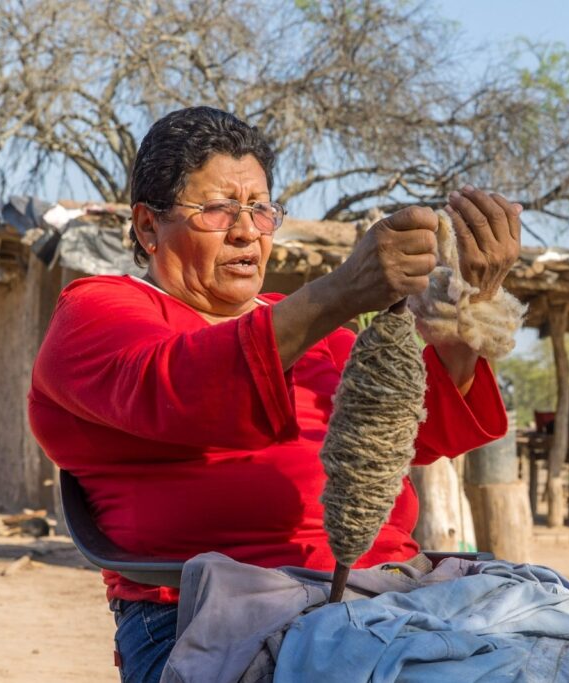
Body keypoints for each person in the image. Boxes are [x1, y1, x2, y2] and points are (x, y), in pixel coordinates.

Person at [28, 106, 521, 682]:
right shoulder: (99, 312)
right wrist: (341, 291)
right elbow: (182, 388)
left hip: (389, 597)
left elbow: (410, 428)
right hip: (215, 619)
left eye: (260, 209)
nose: (246, 231)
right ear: (147, 227)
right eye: (217, 209)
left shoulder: (321, 337)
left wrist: (471, 300)